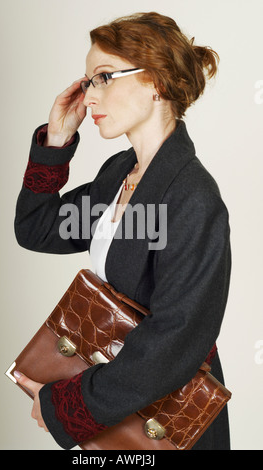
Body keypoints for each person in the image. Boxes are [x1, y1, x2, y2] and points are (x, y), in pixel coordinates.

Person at [13, 12, 232, 450]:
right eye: (88, 80)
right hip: (122, 408)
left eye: (105, 77)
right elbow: (37, 229)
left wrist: (68, 409)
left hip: (164, 423)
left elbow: (175, 339)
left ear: (156, 82)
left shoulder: (193, 196)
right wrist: (56, 142)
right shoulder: (120, 174)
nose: (89, 96)